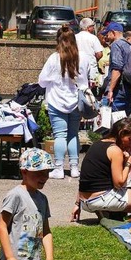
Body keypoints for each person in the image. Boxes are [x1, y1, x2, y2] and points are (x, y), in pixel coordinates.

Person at [38, 25, 93, 180]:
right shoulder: (83, 57)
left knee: (60, 135)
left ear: (58, 40)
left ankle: (59, 168)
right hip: (76, 101)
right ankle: (75, 168)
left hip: (56, 101)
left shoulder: (54, 58)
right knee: (73, 134)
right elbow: (85, 80)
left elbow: (42, 81)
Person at [71, 118, 131, 221]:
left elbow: (87, 177)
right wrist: (129, 162)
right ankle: (108, 211)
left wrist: (77, 204)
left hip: (85, 201)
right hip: (100, 198)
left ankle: (107, 211)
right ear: (121, 133)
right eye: (130, 139)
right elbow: (119, 183)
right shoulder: (115, 150)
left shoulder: (96, 144)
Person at [102, 21, 131, 115]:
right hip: (128, 88)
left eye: (107, 34)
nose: (106, 37)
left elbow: (117, 69)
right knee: (124, 122)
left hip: (118, 90)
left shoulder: (116, 45)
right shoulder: (129, 45)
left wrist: (110, 90)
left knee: (109, 122)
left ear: (113, 32)